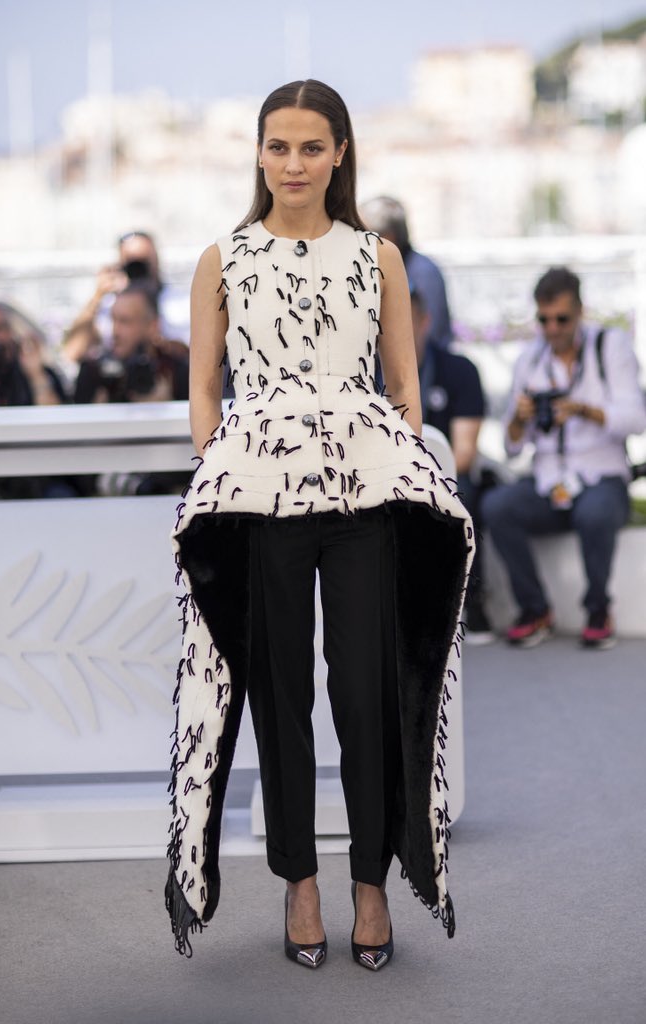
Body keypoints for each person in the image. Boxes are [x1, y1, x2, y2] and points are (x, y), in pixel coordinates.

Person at [165, 80, 472, 971]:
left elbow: (404, 382)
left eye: (310, 147)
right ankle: (299, 882)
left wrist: (395, 451)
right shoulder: (223, 258)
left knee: (367, 690)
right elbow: (203, 387)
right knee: (278, 693)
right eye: (277, 146)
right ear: (258, 154)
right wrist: (216, 454)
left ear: (340, 153)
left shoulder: (376, 257)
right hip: (259, 492)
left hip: (363, 493)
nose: (292, 163)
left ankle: (370, 883)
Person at [482, 266, 646, 649]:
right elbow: (512, 446)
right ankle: (535, 609)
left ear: (579, 312)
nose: (552, 328)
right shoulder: (529, 360)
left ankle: (597, 609)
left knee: (596, 512)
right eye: (543, 319)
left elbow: (637, 419)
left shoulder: (610, 347)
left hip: (601, 475)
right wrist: (520, 421)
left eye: (561, 319)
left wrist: (582, 410)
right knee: (498, 507)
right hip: (548, 479)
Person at [409, 287, 492, 642]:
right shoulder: (365, 371)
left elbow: (463, 453)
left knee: (466, 496)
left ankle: (474, 603)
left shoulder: (458, 370)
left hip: (444, 477)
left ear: (425, 322)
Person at [74, 284, 189, 495]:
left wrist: (165, 412)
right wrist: (100, 414)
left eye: (125, 322)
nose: (115, 331)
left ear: (153, 326)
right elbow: (75, 452)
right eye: (113, 320)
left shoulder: (176, 368)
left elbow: (197, 446)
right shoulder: (94, 370)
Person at [0, 300, 75, 499]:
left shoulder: (32, 372)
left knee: (60, 495)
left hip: (33, 479)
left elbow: (59, 429)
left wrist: (36, 375)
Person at [61, 230, 189, 386]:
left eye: (143, 260)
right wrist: (97, 296)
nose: (138, 268)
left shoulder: (179, 302)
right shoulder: (108, 301)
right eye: (131, 261)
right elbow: (72, 353)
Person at [360, 196, 452, 350]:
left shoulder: (423, 273)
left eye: (364, 235)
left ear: (388, 237)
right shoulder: (373, 269)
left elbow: (431, 336)